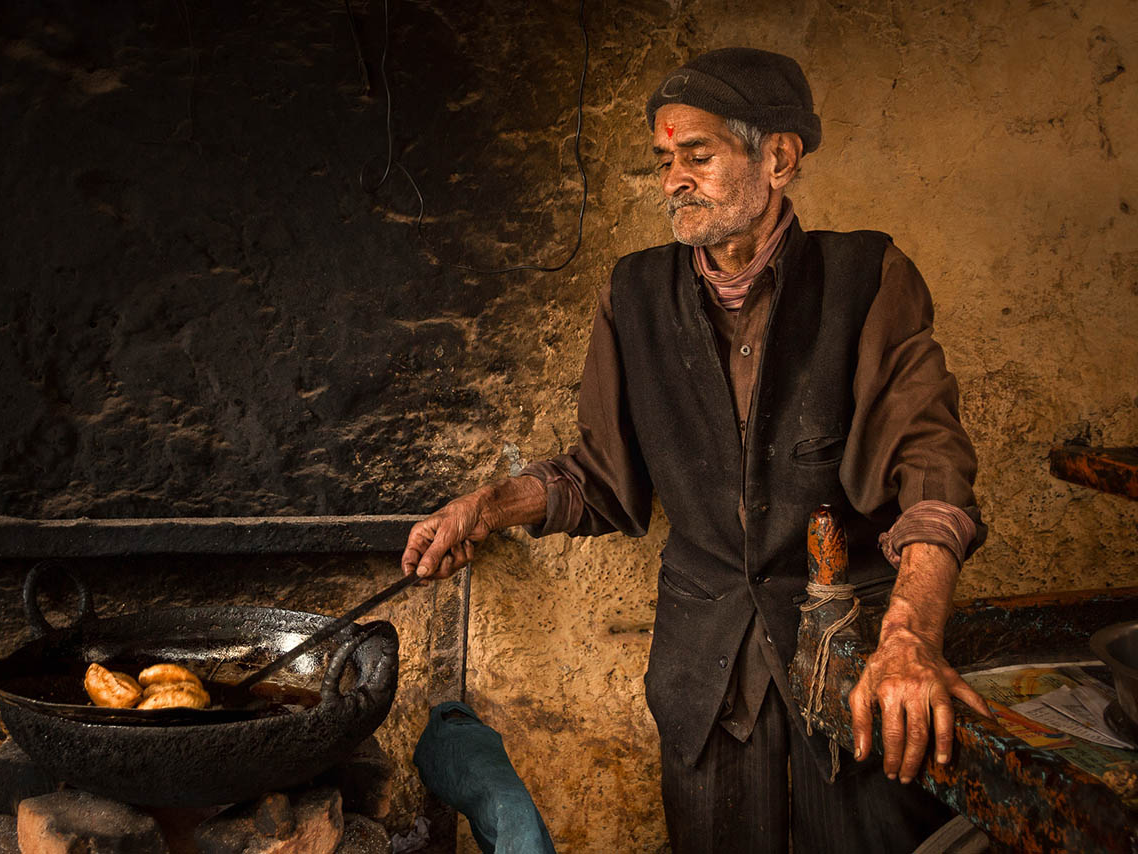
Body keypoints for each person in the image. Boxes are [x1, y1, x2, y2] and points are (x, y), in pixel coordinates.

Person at [399, 47, 992, 853]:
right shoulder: (633, 294)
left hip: (850, 659)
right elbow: (601, 479)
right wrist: (488, 507)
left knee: (867, 837)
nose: (675, 179)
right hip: (704, 677)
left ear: (778, 157)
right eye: (664, 161)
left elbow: (933, 470)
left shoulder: (867, 276)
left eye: (699, 155)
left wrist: (910, 636)